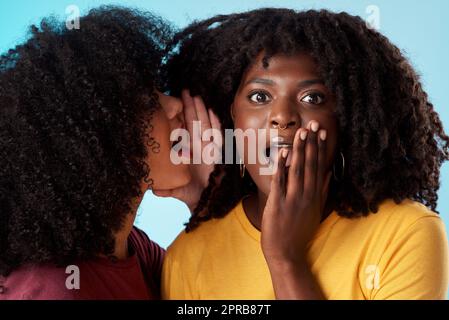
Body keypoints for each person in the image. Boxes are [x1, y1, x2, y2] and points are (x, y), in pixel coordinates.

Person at [162, 8, 449, 299]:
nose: (283, 117)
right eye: (260, 96)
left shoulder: (405, 234)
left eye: (312, 98)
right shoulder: (188, 256)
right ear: (232, 113)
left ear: (343, 117)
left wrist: (286, 260)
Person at [0, 6, 218, 299]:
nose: (175, 105)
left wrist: (203, 205)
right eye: (147, 102)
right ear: (96, 141)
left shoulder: (132, 249)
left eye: (159, 90)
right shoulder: (56, 290)